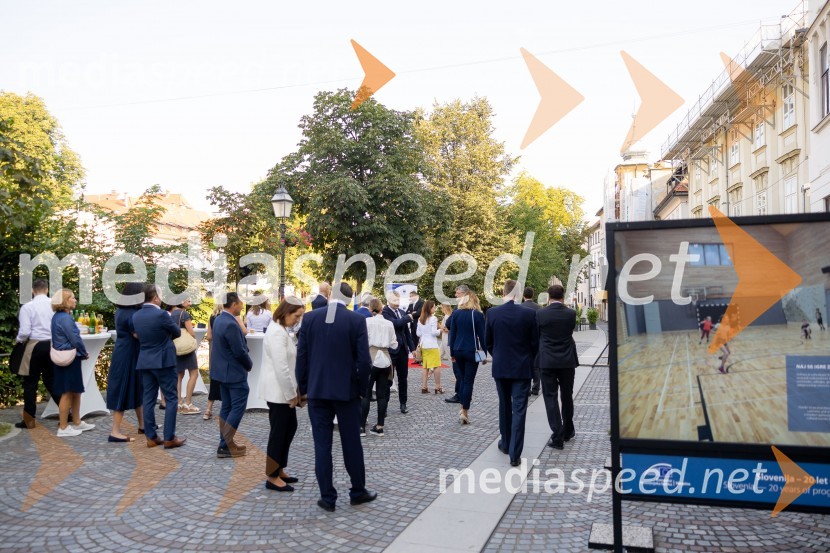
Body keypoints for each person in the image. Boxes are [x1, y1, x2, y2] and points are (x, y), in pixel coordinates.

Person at [296, 282, 375, 512]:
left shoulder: (310, 318)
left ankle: (327, 497)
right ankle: (357, 491)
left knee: (322, 445)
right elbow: (363, 361)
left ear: (330, 295)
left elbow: (302, 357)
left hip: (317, 391)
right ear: (350, 300)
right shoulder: (356, 320)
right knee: (352, 442)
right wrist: (362, 389)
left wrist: (303, 388)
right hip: (346, 391)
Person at [486, 280, 539, 466]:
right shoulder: (529, 314)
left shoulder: (492, 313)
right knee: (519, 410)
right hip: (522, 367)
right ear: (518, 293)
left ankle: (506, 443)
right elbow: (535, 343)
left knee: (504, 406)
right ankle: (515, 453)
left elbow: (488, 342)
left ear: (503, 292)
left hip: (501, 367)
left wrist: (498, 356)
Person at [259, 297, 306, 491]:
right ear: (286, 312)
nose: (297, 320)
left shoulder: (279, 330)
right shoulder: (277, 332)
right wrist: (291, 394)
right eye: (296, 316)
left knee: (289, 428)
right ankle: (272, 475)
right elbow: (281, 368)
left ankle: (279, 468)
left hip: (281, 391)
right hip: (279, 392)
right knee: (279, 433)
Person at [133, 284, 186, 449]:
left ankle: (151, 436)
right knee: (171, 398)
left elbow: (138, 335)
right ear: (155, 297)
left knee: (148, 398)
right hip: (163, 360)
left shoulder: (136, 316)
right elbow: (176, 332)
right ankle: (169, 437)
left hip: (145, 360)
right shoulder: (162, 314)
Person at [210, 292, 253, 458]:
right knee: (236, 408)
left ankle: (226, 442)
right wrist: (249, 364)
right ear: (234, 303)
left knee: (226, 407)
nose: (242, 306)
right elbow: (239, 350)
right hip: (233, 373)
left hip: (222, 372)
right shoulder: (230, 323)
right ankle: (224, 445)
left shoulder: (220, 319)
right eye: (241, 303)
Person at [536, 284, 579, 450]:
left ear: (548, 297)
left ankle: (557, 434)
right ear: (563, 297)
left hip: (547, 360)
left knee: (550, 397)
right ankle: (568, 430)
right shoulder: (571, 313)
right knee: (567, 396)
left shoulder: (540, 314)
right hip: (567, 360)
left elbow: (537, 335)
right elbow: (570, 331)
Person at [12, 278, 57, 428]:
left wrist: (18, 341)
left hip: (34, 346)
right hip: (52, 346)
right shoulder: (54, 305)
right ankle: (67, 413)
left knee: (30, 383)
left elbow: (24, 332)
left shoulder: (27, 307)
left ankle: (29, 420)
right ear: (47, 289)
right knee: (52, 381)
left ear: (33, 290)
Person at [50, 289, 94, 437]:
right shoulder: (65, 318)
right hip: (68, 358)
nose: (75, 300)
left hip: (67, 358)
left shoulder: (58, 317)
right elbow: (75, 339)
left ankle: (77, 421)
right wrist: (84, 352)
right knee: (67, 392)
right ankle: (63, 427)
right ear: (64, 301)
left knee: (75, 391)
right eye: (72, 298)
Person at [106, 282, 145, 442]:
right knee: (123, 388)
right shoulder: (131, 314)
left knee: (137, 387)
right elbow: (138, 335)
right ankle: (115, 431)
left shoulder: (121, 310)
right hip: (128, 354)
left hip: (125, 352)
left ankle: (143, 425)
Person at [449, 290, 485, 425]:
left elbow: (453, 335)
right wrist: (484, 354)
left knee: (463, 380)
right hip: (471, 351)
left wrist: (452, 353)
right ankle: (464, 411)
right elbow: (482, 336)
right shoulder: (477, 315)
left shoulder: (456, 314)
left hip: (458, 350)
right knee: (469, 381)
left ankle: (462, 408)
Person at [362, 298, 397, 437]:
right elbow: (394, 344)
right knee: (382, 395)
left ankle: (361, 427)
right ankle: (380, 426)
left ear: (370, 309)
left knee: (366, 393)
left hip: (371, 356)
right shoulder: (389, 323)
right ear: (382, 309)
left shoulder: (367, 322)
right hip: (385, 358)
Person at [382, 290, 415, 414]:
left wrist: (412, 348)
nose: (397, 303)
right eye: (394, 300)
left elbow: (406, 332)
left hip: (402, 350)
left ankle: (403, 403)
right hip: (391, 350)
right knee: (388, 379)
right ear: (389, 300)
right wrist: (408, 317)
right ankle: (384, 406)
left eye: (398, 300)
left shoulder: (401, 312)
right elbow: (395, 324)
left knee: (403, 378)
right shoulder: (385, 312)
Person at [172, 296, 201, 415]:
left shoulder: (172, 314)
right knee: (194, 373)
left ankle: (178, 402)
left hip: (176, 348)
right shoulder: (184, 314)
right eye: (187, 301)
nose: (189, 303)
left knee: (179, 375)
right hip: (187, 349)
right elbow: (192, 332)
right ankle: (188, 403)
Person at [443, 285, 470, 404]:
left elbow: (448, 323)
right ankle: (465, 393)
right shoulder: (474, 309)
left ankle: (460, 394)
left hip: (458, 345)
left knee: (458, 371)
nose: (455, 295)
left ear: (464, 294)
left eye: (457, 293)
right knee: (467, 374)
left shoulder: (459, 309)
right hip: (470, 346)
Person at [417, 300, 443, 394]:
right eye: (434, 307)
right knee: (436, 366)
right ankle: (437, 386)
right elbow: (434, 332)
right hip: (432, 345)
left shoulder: (420, 319)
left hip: (424, 345)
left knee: (425, 366)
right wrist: (440, 330)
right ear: (430, 308)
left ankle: (424, 387)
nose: (435, 308)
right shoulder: (433, 318)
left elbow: (418, 333)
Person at [203, 303, 224, 420]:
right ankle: (225, 410)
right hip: (224, 352)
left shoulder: (212, 317)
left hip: (214, 351)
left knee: (214, 379)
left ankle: (208, 409)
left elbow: (209, 336)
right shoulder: (228, 318)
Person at [521, 286, 543, 396]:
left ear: (523, 295)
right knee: (536, 366)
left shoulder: (519, 308)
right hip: (537, 340)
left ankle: (526, 388)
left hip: (522, 341)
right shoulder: (539, 308)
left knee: (524, 364)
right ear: (533, 295)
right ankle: (536, 387)